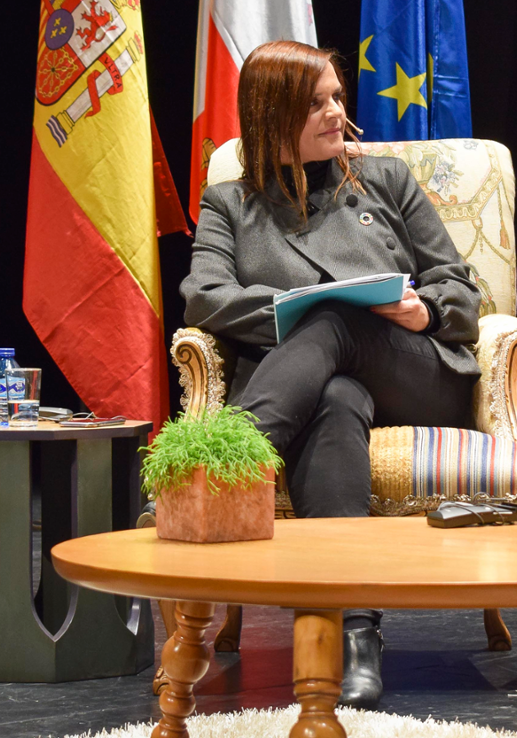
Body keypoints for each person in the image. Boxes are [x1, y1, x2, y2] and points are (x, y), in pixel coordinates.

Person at [180, 41, 482, 707]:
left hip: (415, 375)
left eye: (337, 98)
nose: (336, 113)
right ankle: (356, 637)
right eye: (315, 103)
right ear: (272, 114)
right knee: (337, 395)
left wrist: (426, 309)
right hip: (313, 387)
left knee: (339, 319)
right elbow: (204, 297)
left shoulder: (385, 180)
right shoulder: (229, 202)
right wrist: (297, 311)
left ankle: (228, 460)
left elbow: (460, 285)